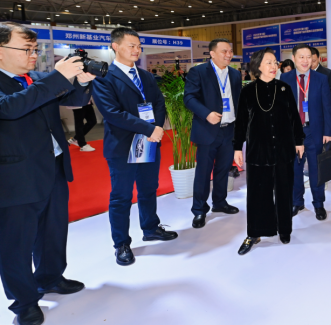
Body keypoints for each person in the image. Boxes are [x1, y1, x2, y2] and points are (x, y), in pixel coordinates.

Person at [0, 22, 95, 325]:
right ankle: (24, 302)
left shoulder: (38, 79)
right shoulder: (40, 81)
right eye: (26, 49)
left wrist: (82, 83)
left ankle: (51, 277)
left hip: (53, 167)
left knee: (53, 230)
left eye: (35, 49)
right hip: (16, 175)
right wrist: (57, 77)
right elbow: (10, 108)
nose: (33, 54)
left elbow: (76, 102)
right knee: (16, 243)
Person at [92, 28, 177, 267]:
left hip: (149, 142)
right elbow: (113, 113)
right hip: (123, 145)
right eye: (131, 46)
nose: (137, 50)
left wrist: (156, 127)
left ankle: (150, 228)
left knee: (149, 188)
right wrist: (149, 128)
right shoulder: (104, 78)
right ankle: (121, 243)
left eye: (139, 46)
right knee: (121, 196)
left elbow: (158, 102)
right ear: (115, 46)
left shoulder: (146, 76)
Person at [234, 48, 305, 255]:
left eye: (275, 62)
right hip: (258, 151)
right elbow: (241, 122)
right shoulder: (248, 91)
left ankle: (284, 229)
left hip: (283, 149)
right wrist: (237, 147)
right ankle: (255, 233)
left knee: (284, 191)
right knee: (257, 194)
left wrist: (299, 141)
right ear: (258, 66)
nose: (274, 66)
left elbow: (294, 117)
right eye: (269, 62)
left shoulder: (284, 88)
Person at [184, 38, 242, 229]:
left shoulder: (235, 74)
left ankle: (219, 202)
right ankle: (199, 209)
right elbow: (189, 98)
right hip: (207, 130)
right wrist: (206, 113)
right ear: (212, 53)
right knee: (203, 172)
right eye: (224, 51)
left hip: (229, 129)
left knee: (223, 169)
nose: (229, 54)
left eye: (230, 51)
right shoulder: (199, 72)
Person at [281, 44, 331, 220]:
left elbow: (327, 108)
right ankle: (297, 202)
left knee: (316, 169)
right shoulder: (285, 78)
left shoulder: (321, 79)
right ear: (294, 58)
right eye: (301, 57)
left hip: (314, 131)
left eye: (308, 57)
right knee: (295, 169)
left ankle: (319, 204)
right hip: (293, 133)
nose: (305, 60)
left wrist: (328, 132)